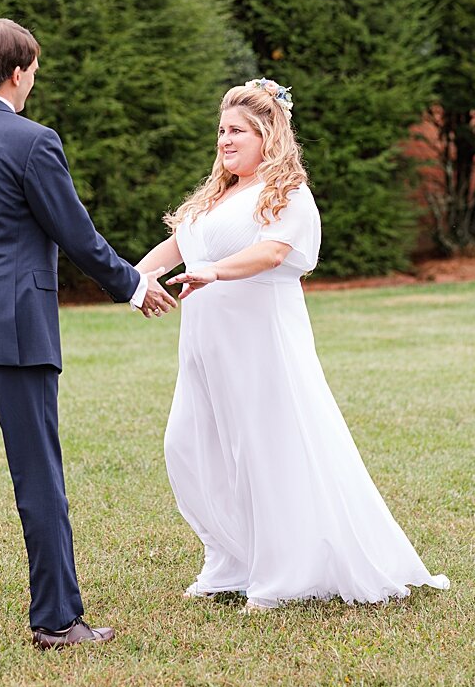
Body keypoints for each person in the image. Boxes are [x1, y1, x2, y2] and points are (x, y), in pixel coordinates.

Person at [0, 19, 177, 654]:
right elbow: (75, 233)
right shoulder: (34, 142)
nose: (34, 82)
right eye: (34, 71)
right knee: (38, 476)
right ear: (18, 73)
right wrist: (131, 284)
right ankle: (57, 623)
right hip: (16, 330)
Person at [137, 79, 448, 609]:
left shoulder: (287, 194)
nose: (224, 140)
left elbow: (275, 253)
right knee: (191, 446)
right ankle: (231, 558)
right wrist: (134, 279)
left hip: (260, 345)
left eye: (237, 131)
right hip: (205, 350)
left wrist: (212, 272)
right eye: (221, 130)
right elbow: (174, 247)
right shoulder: (215, 197)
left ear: (267, 134)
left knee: (262, 450)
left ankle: (282, 573)